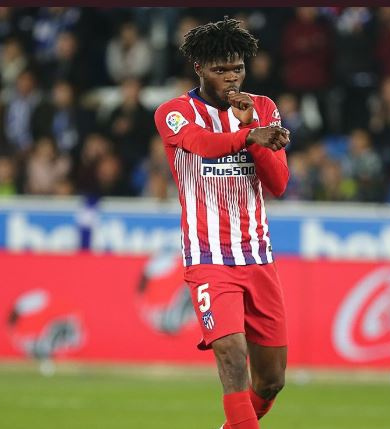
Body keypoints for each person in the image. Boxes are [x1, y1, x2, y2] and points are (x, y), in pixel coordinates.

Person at [154, 17, 290, 429]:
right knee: (231, 350)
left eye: (237, 68)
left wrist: (252, 126)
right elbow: (201, 145)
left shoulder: (262, 108)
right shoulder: (174, 112)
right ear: (199, 67)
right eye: (221, 70)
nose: (232, 78)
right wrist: (250, 137)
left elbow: (279, 183)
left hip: (258, 256)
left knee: (270, 381)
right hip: (208, 256)